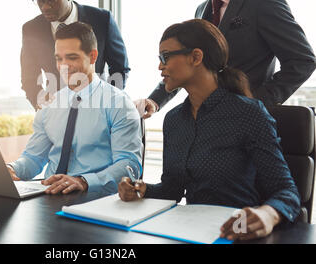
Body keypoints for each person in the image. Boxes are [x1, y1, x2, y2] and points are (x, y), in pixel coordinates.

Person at [119, 19, 300, 241]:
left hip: (240, 232)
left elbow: (287, 192)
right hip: (193, 232)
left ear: (196, 57)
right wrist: (142, 190)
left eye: (165, 57)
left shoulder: (248, 113)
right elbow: (172, 191)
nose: (160, 66)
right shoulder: (174, 120)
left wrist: (268, 214)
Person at [137, 0, 315, 118]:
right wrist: (155, 100)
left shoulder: (263, 2)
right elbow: (190, 66)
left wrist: (256, 103)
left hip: (248, 125)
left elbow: (302, 61)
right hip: (209, 120)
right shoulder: (201, 12)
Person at [8, 22, 142, 195]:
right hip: (48, 194)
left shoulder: (118, 104)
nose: (64, 66)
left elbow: (129, 166)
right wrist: (12, 168)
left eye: (72, 57)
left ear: (93, 56)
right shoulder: (50, 104)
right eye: (59, 58)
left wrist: (85, 181)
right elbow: (34, 158)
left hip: (95, 198)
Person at [21, 0, 130, 110]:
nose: (45, 7)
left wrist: (107, 102)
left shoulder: (102, 20)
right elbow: (29, 77)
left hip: (98, 110)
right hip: (55, 112)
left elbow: (120, 68)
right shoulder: (31, 30)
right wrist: (41, 102)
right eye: (39, 0)